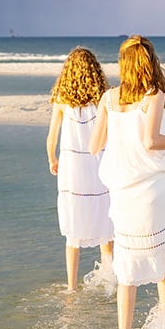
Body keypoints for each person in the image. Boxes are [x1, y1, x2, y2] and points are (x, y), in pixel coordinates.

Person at [90, 35, 165, 329]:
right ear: (150, 62)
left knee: (126, 266)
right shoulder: (153, 96)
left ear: (124, 64)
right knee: (164, 257)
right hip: (152, 189)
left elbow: (94, 146)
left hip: (124, 193)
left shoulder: (109, 98)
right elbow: (151, 142)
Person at [45, 46, 114, 291]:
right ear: (95, 70)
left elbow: (51, 137)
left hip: (72, 168)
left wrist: (52, 159)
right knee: (106, 224)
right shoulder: (104, 97)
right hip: (99, 164)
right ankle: (110, 279)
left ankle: (72, 287)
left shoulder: (62, 100)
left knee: (73, 231)